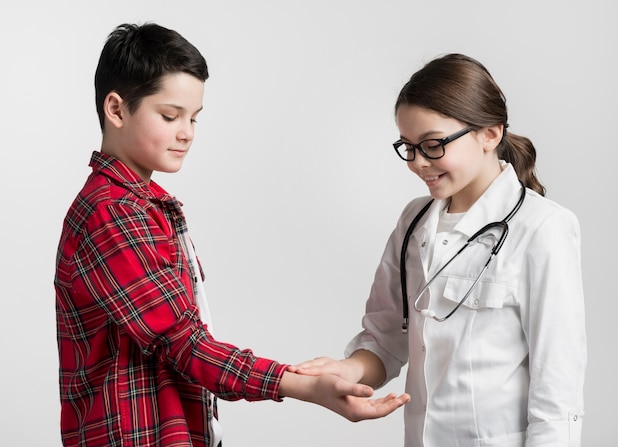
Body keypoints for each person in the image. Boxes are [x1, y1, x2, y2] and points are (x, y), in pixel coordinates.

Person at [54, 22, 409, 447]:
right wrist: (300, 386)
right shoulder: (112, 214)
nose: (187, 132)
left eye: (193, 118)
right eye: (169, 116)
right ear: (116, 109)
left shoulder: (147, 207)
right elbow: (186, 345)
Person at [290, 53, 586, 446]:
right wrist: (350, 369)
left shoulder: (543, 228)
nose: (417, 163)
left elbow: (557, 392)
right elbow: (386, 338)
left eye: (431, 145)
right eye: (407, 146)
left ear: (490, 134)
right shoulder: (414, 221)